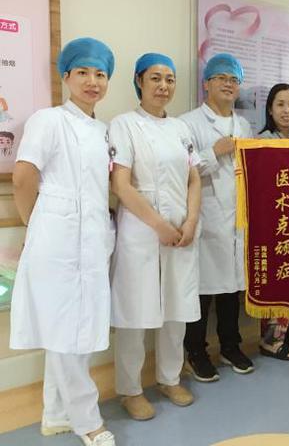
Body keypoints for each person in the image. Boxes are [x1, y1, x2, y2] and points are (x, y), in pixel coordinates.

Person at [11, 37, 117, 446]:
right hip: (57, 242)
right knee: (67, 331)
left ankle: (55, 414)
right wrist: (35, 225)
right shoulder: (48, 120)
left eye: (100, 74)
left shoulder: (101, 130)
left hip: (91, 239)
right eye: (83, 73)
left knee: (73, 330)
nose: (92, 81)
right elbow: (23, 177)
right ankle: (87, 421)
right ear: (66, 76)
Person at [110, 53, 201, 420]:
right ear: (139, 81)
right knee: (134, 311)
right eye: (155, 78)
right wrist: (158, 225)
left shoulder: (181, 129)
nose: (164, 86)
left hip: (181, 230)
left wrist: (190, 221)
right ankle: (130, 389)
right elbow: (120, 185)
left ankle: (169, 378)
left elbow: (194, 179)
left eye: (170, 79)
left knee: (176, 309)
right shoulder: (123, 124)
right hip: (140, 229)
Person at [180, 53, 254, 380]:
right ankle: (196, 351)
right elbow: (181, 170)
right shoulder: (188, 123)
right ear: (206, 84)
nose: (228, 84)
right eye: (221, 78)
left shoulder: (244, 125)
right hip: (206, 217)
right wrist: (214, 152)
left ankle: (230, 345)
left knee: (231, 287)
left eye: (234, 79)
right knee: (202, 290)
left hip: (237, 219)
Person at [256, 83, 289, 360]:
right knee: (277, 278)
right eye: (280, 104)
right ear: (270, 109)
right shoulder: (261, 141)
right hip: (273, 224)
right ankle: (271, 340)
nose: (287, 110)